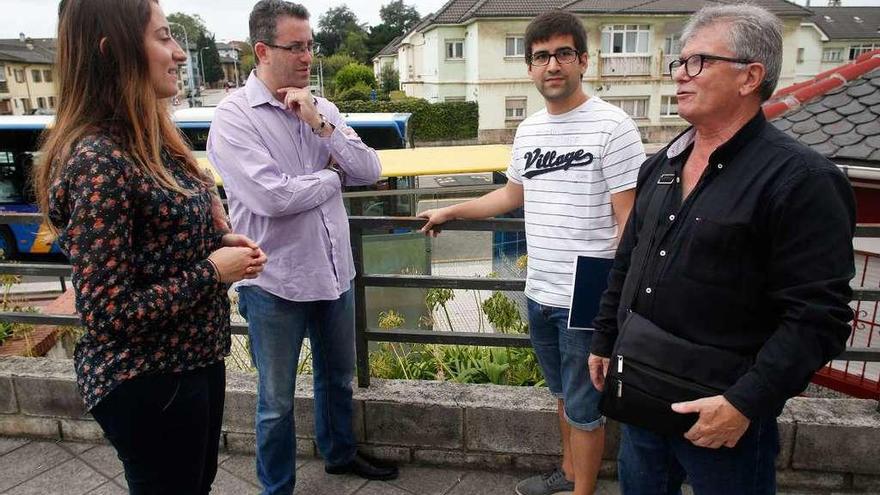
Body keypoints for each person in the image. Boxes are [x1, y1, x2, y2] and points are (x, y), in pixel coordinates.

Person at [588, 4, 855, 494]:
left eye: (698, 62)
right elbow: (628, 260)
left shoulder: (801, 180)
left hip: (722, 414)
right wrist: (604, 339)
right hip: (641, 395)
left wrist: (745, 404)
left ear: (750, 76)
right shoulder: (662, 164)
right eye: (679, 63)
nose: (680, 75)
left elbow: (819, 316)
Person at [34, 0, 267, 493]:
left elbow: (154, 240)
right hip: (149, 380)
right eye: (163, 37)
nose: (179, 53)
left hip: (191, 363)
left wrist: (217, 239)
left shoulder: (147, 140)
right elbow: (106, 310)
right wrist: (213, 270)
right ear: (112, 52)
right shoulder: (99, 160)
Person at [418, 10, 644, 495]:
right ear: (530, 68)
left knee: (585, 407)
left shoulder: (614, 126)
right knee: (562, 395)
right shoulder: (530, 130)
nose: (552, 65)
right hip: (539, 287)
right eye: (541, 57)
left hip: (588, 291)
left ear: (584, 60)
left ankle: (582, 489)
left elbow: (630, 221)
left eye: (564, 54)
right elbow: (510, 196)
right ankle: (566, 474)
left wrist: (617, 299)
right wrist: (452, 210)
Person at [206, 1, 395, 493]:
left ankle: (339, 454)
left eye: (311, 46)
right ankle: (277, 487)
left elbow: (372, 170)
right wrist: (332, 177)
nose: (308, 56)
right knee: (276, 402)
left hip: (334, 274)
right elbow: (272, 197)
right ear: (263, 50)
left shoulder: (319, 106)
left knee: (337, 381)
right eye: (297, 47)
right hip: (274, 281)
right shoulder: (234, 118)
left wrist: (320, 124)